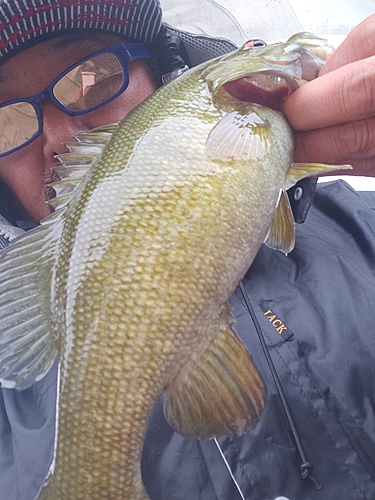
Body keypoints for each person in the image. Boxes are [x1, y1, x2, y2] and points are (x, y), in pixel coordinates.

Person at [0, 1, 374, 499]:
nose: (61, 138)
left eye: (92, 77)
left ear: (159, 75)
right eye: (7, 120)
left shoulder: (360, 228)